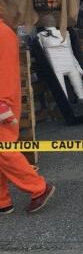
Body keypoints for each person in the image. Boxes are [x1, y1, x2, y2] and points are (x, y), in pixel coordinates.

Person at [0, 11, 56, 214]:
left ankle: (39, 188)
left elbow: (5, 72)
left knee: (5, 152)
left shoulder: (1, 33)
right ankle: (3, 201)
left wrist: (3, 104)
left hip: (2, 102)